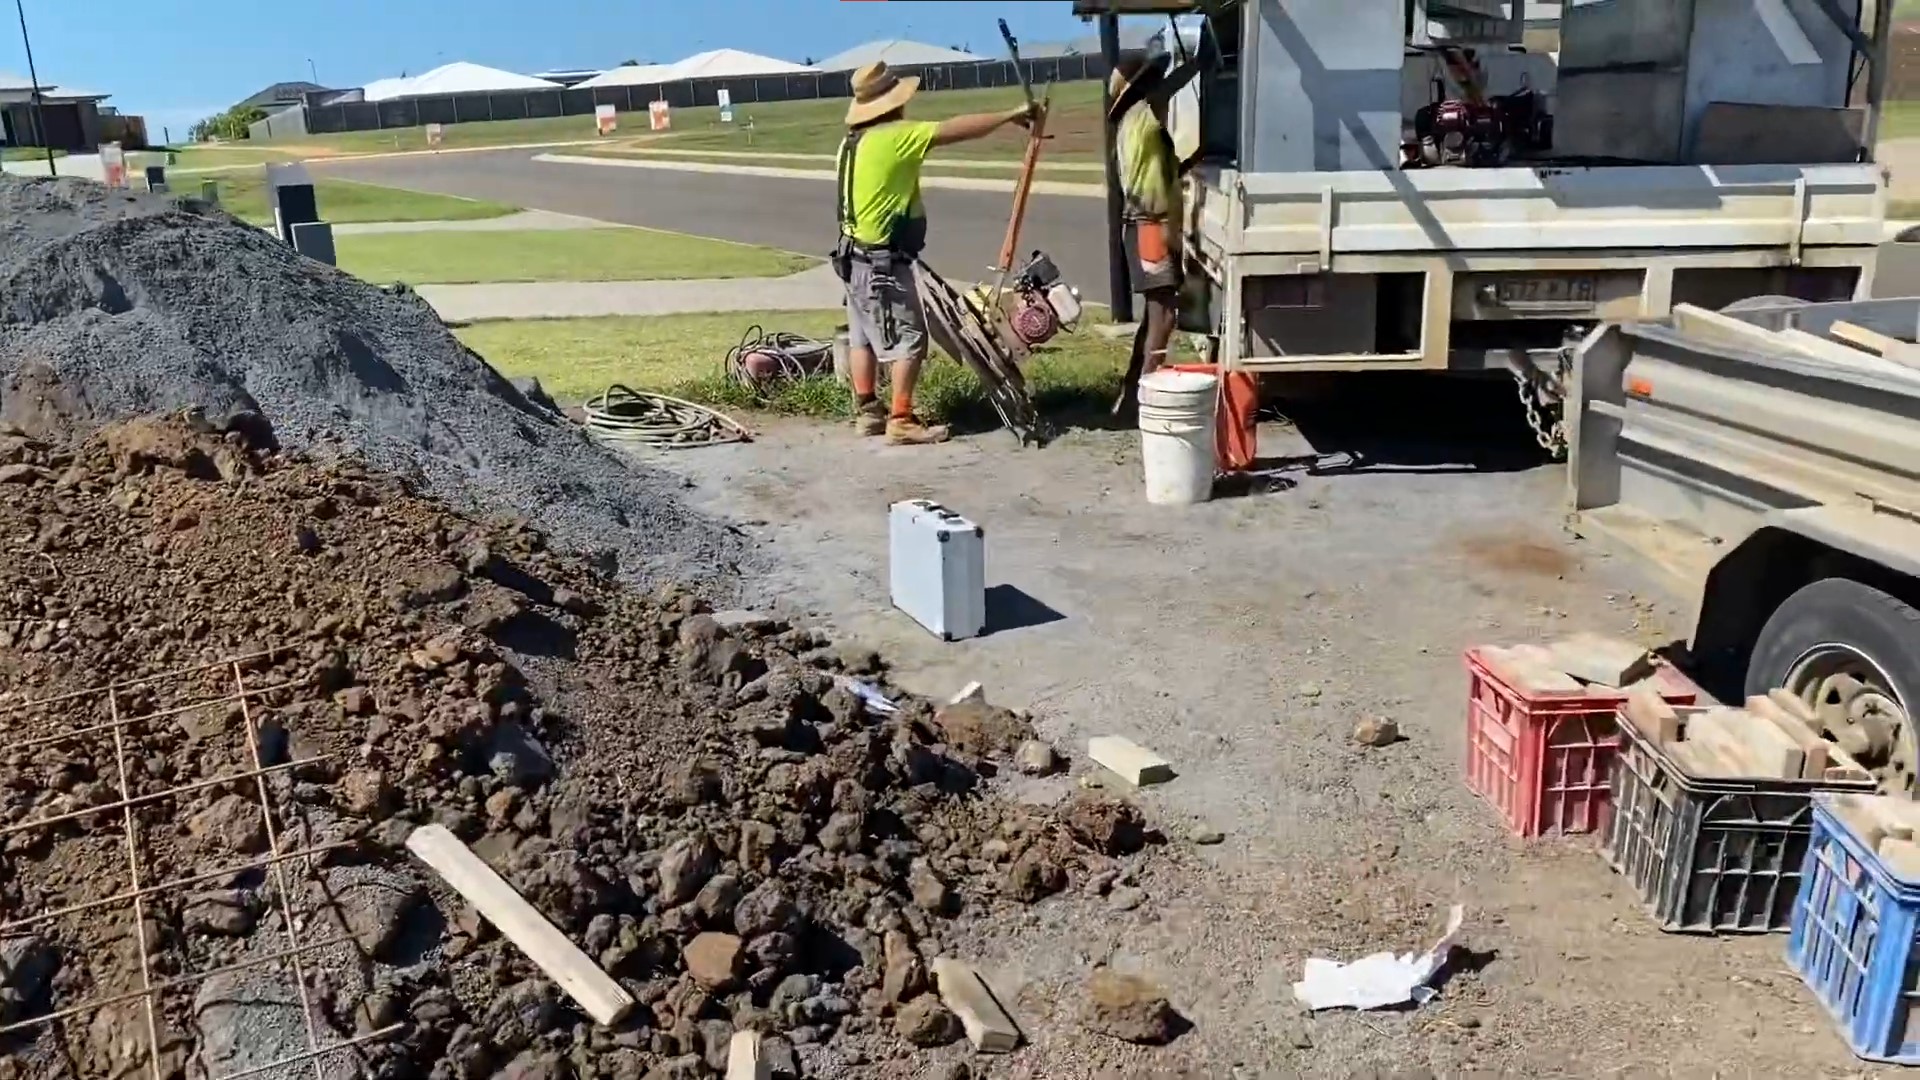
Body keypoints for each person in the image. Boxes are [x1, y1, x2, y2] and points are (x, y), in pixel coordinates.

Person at [834, 61, 1039, 445]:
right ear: (894, 103)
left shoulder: (851, 142)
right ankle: (901, 419)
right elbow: (954, 129)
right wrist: (1011, 115)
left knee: (861, 335)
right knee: (909, 339)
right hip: (883, 262)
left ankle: (867, 412)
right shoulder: (896, 136)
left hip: (853, 259)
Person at [1108, 52, 1185, 418]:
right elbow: (1170, 88)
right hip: (1148, 225)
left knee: (1155, 314)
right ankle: (1147, 397)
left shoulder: (1131, 121)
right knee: (1164, 315)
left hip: (1143, 224)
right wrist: (1202, 61)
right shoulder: (1143, 114)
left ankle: (1132, 391)